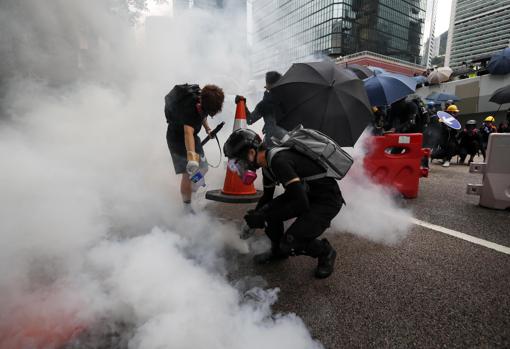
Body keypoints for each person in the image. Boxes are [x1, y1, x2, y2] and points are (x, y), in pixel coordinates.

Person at [223, 128, 342, 279]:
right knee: (266, 211)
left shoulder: (279, 161)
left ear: (251, 153)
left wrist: (263, 220)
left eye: (238, 163)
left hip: (326, 200)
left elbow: (301, 205)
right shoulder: (266, 165)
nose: (239, 169)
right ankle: (277, 251)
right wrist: (254, 218)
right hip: (304, 194)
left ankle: (326, 252)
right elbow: (267, 197)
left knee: (290, 243)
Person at [164, 83, 224, 213]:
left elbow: (202, 115)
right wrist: (191, 159)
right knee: (188, 173)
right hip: (177, 139)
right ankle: (187, 207)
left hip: (191, 136)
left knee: (203, 168)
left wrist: (208, 129)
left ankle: (191, 191)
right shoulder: (189, 110)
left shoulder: (201, 99)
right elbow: (188, 133)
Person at [236, 71, 287, 148]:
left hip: (272, 143)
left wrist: (243, 105)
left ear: (268, 85)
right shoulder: (289, 98)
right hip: (289, 139)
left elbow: (250, 120)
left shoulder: (264, 104)